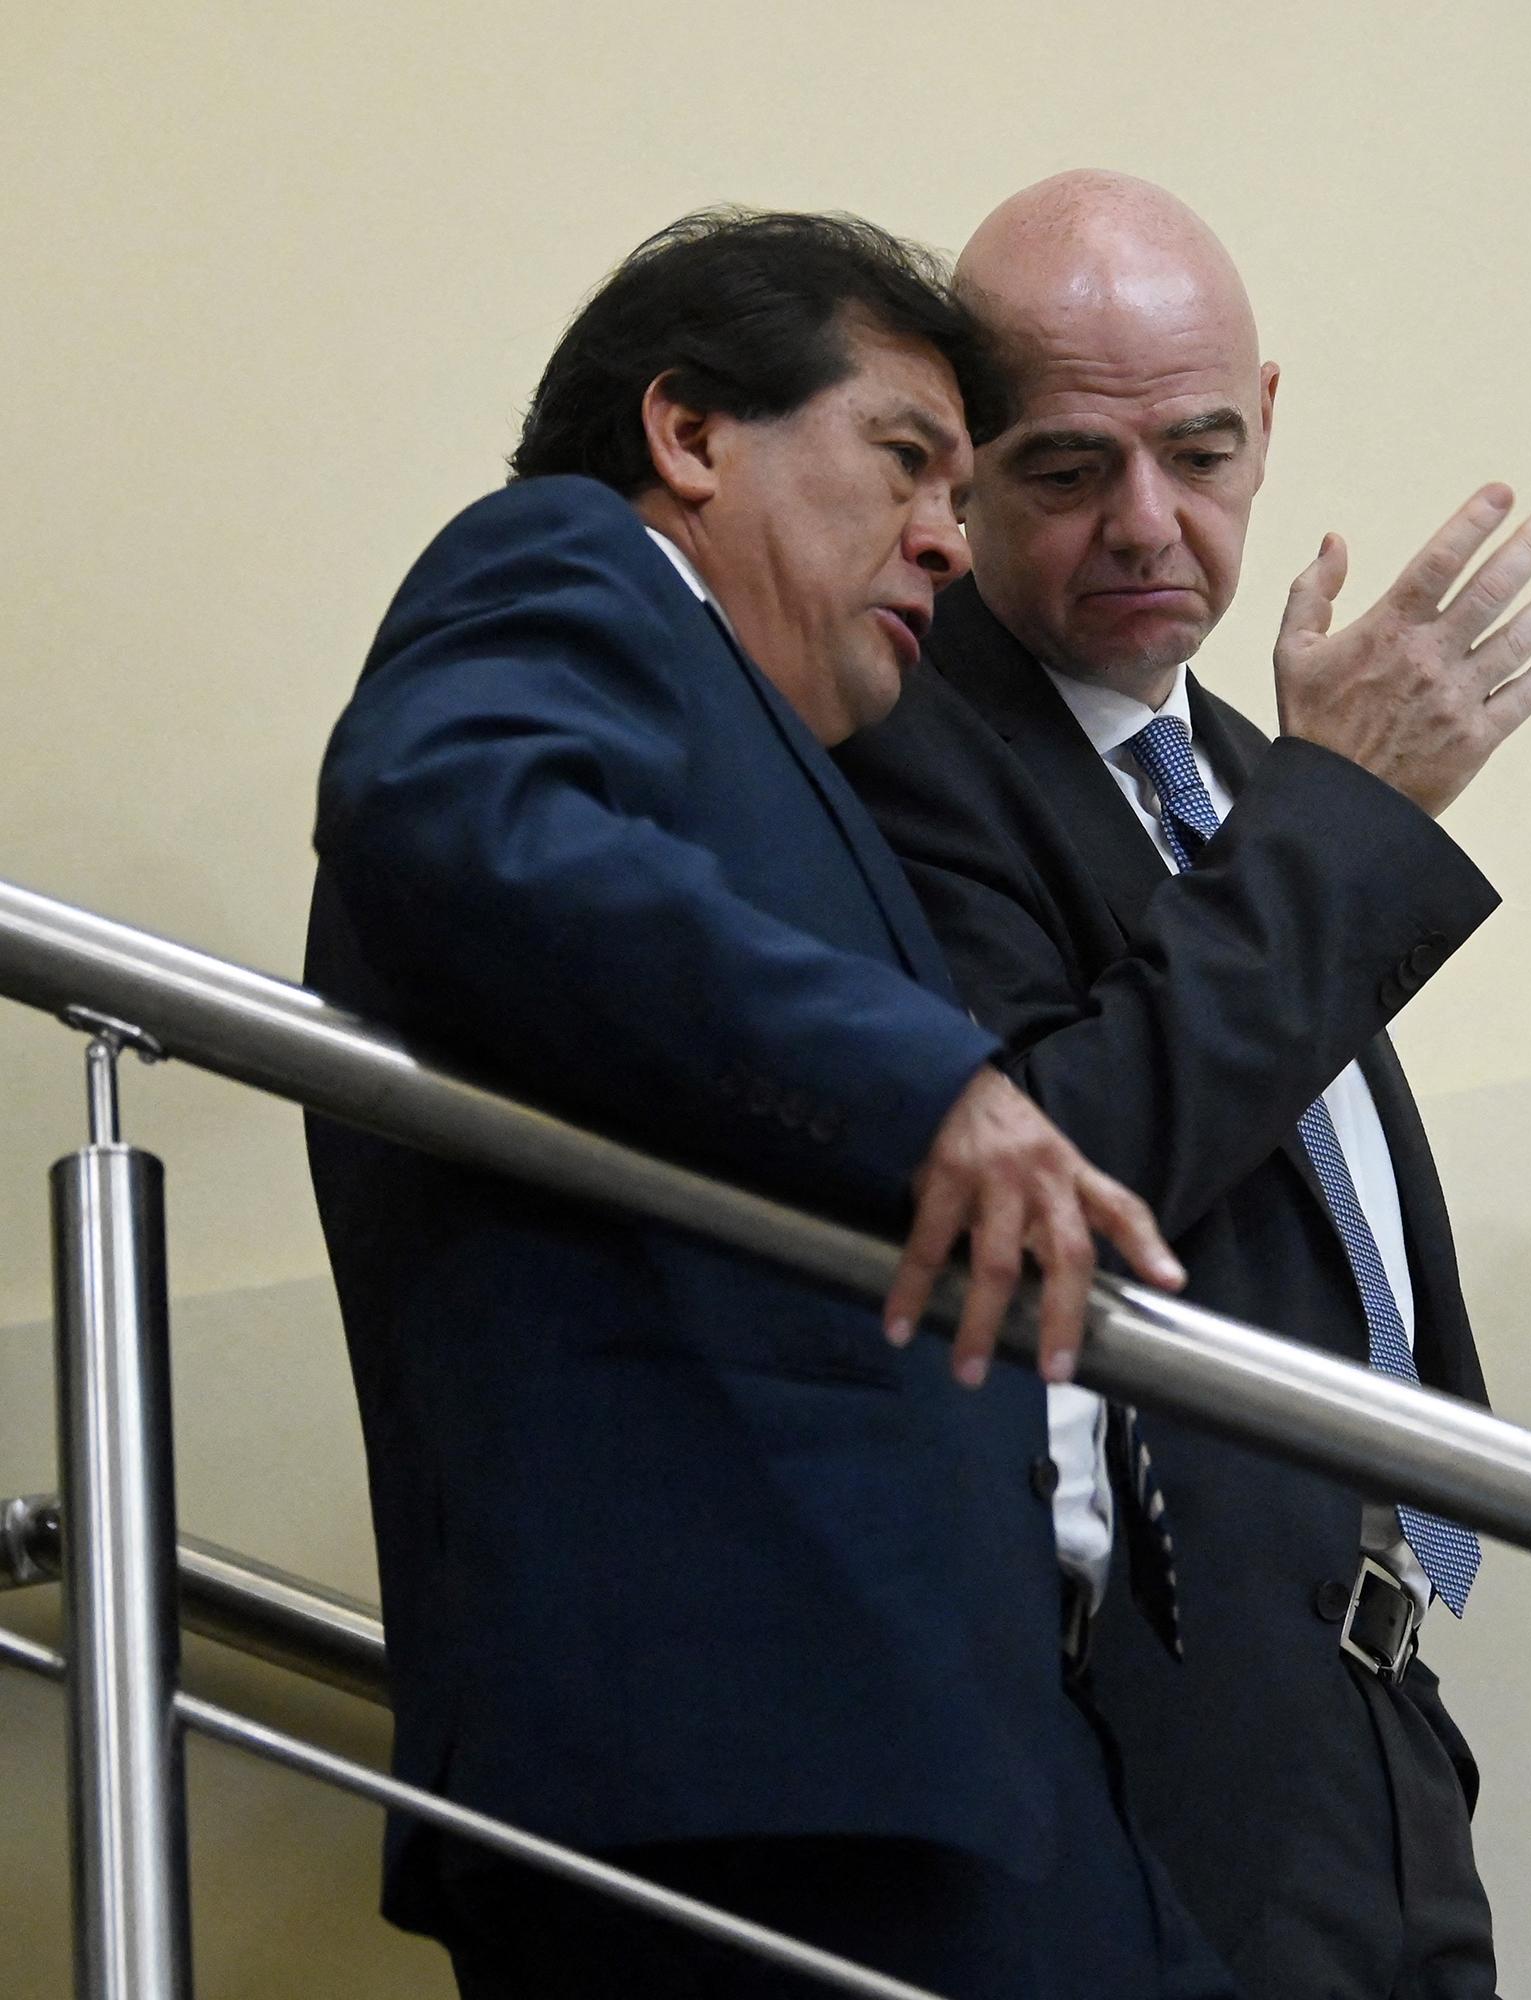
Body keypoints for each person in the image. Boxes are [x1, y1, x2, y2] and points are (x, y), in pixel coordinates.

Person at [304, 207, 1235, 2000]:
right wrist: (928, 1087)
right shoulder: (569, 566)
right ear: (691, 435)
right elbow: (452, 809)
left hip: (936, 1741)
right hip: (745, 1746)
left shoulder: (795, 762)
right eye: (906, 462)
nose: (948, 543)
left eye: (962, 495)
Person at [834, 170, 1531, 2000]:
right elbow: (1067, 1161)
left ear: (1268, 424)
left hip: (1369, 1711)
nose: (1149, 523)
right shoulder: (905, 749)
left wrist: (1315, 808)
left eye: (1202, 450)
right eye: (1070, 469)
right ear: (960, 470)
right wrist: (1347, 821)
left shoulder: (1250, 772)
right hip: (1144, 1733)